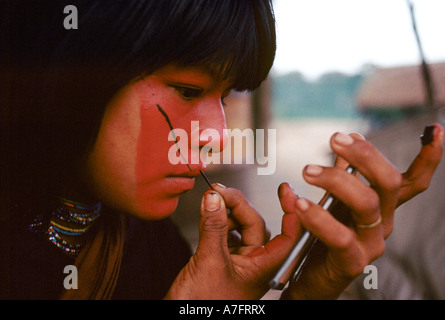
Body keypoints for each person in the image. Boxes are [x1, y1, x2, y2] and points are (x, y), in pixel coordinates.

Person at [0, 0, 442, 300]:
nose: (216, 134)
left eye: (225, 97)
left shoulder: (153, 247)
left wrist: (304, 294)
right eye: (188, 90)